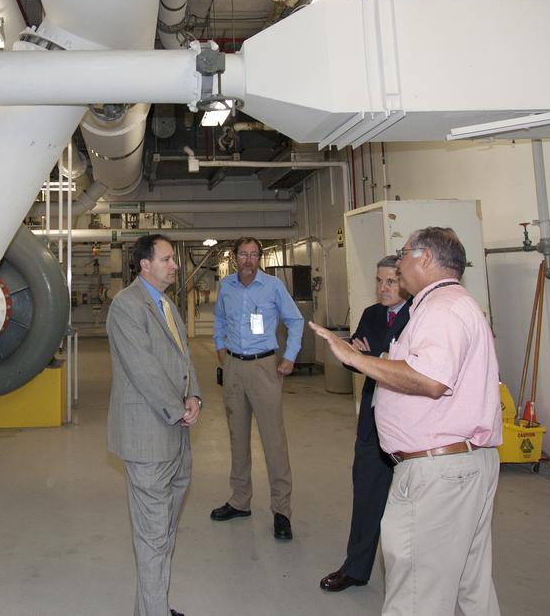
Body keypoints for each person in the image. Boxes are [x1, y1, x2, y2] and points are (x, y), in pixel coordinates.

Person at [311, 226, 503, 616]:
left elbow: (431, 380)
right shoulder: (452, 303)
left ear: (426, 259)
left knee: (417, 593)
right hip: (458, 464)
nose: (398, 264)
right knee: (468, 588)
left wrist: (356, 359)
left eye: (404, 254)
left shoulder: (441, 309)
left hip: (438, 471)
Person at [107, 234, 202, 616]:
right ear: (145, 265)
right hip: (148, 439)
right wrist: (177, 408)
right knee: (152, 537)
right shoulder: (126, 307)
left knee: (162, 534)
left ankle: (151, 607)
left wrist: (194, 395)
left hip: (176, 438)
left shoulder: (165, 304)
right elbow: (143, 369)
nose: (175, 265)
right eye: (167, 259)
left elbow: (184, 357)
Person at [320, 255, 410, 593]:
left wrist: (373, 357)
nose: (383, 288)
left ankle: (410, 578)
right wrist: (358, 357)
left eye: (391, 281)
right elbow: (356, 358)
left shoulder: (422, 314)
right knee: (367, 495)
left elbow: (405, 365)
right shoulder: (372, 315)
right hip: (373, 422)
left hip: (409, 426)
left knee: (410, 507)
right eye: (379, 281)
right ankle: (356, 568)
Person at [209, 237, 304, 540]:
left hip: (265, 367)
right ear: (234, 257)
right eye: (243, 254)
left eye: (253, 255)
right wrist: (221, 350)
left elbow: (295, 321)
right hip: (234, 367)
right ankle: (240, 501)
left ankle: (281, 511)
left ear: (259, 258)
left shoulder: (273, 286)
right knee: (237, 438)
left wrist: (289, 357)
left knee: (273, 442)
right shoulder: (226, 287)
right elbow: (219, 319)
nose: (248, 260)